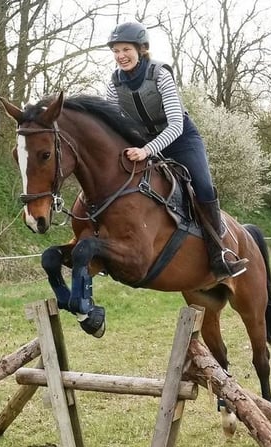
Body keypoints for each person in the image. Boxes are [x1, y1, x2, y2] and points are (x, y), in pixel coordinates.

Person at [105, 21, 247, 279]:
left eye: (126, 49)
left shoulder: (160, 74)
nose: (120, 56)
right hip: (144, 143)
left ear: (142, 49)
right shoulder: (114, 83)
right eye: (115, 51)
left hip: (181, 139)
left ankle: (221, 253)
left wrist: (147, 150)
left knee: (202, 187)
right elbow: (114, 125)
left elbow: (175, 126)